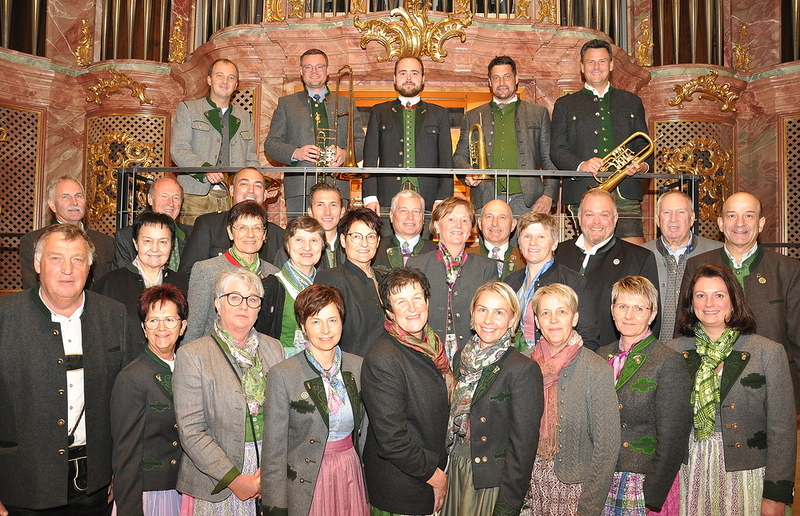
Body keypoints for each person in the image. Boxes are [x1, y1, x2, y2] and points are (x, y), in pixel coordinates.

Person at [0, 224, 132, 515]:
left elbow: (127, 407)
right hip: (21, 488)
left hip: (95, 487)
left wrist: (118, 471)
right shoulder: (5, 317)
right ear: (37, 263)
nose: (67, 269)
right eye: (56, 258)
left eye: (77, 259)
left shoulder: (114, 315)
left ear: (90, 265)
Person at [668, 264, 796, 515]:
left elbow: (783, 430)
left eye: (719, 295)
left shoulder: (767, 352)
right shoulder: (673, 352)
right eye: (700, 295)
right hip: (687, 470)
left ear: (734, 301)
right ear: (690, 303)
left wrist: (776, 495)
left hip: (747, 473)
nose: (709, 303)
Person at [173, 268, 284, 515]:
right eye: (234, 297)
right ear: (217, 304)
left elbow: (283, 417)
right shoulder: (193, 355)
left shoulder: (273, 349)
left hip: (266, 470)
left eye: (252, 299)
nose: (244, 306)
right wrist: (235, 480)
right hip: (217, 477)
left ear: (259, 308)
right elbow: (192, 431)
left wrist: (270, 469)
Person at [680, 191, 800, 410]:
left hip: (770, 384)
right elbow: (686, 327)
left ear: (761, 223)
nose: (740, 223)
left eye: (749, 216)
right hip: (709, 383)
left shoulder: (787, 269)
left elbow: (797, 337)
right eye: (732, 215)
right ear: (721, 223)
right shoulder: (697, 265)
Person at [261, 284, 368, 516]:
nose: (325, 330)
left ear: (342, 322)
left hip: (350, 473)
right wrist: (274, 507)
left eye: (332, 320)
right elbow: (274, 449)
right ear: (303, 326)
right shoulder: (284, 374)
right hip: (307, 479)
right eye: (315, 321)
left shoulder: (357, 367)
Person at [442, 282, 543, 516]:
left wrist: (508, 503)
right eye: (482, 309)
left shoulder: (522, 369)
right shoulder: (461, 358)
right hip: (455, 465)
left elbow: (523, 446)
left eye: (499, 312)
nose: (489, 320)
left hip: (490, 480)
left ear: (512, 319)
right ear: (472, 313)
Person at [521, 283, 620, 516]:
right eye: (545, 313)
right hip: (527, 489)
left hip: (575, 492)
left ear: (574, 318)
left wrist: (590, 506)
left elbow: (607, 446)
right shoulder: (522, 365)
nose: (553, 319)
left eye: (562, 312)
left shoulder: (595, 369)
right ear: (537, 321)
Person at [361, 268, 453, 515]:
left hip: (427, 474)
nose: (412, 308)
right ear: (389, 311)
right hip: (403, 487)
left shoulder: (432, 345)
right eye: (401, 301)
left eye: (417, 298)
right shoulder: (383, 357)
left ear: (427, 301)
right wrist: (435, 476)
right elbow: (392, 440)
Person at [597, 276, 691, 514]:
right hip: (599, 476)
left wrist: (650, 495)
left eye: (639, 308)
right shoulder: (600, 355)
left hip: (640, 480)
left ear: (652, 314)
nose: (629, 315)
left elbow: (674, 438)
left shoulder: (668, 360)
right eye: (623, 307)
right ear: (612, 310)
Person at [550, 39, 652, 244]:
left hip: (626, 189)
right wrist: (582, 164)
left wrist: (641, 166)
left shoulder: (631, 102)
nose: (596, 67)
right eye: (590, 62)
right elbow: (557, 150)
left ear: (612, 65)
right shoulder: (565, 105)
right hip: (584, 188)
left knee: (632, 251)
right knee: (591, 249)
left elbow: (644, 145)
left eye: (602, 62)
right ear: (581, 67)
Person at [110, 284, 189, 516]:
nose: (161, 328)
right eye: (153, 320)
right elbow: (125, 456)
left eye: (170, 320)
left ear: (183, 326)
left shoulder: (192, 369)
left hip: (187, 491)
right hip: (150, 495)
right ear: (144, 328)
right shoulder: (131, 378)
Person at [264, 48, 365, 216]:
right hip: (299, 189)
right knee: (299, 238)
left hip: (338, 187)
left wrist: (345, 155)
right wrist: (296, 152)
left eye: (319, 66)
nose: (314, 71)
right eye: (308, 67)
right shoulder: (286, 104)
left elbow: (361, 143)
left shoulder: (346, 103)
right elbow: (271, 144)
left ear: (327, 71)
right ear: (301, 72)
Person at [453, 55, 558, 215]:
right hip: (486, 198)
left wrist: (548, 195)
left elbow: (550, 159)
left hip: (528, 200)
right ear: (489, 82)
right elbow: (459, 157)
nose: (501, 83)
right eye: (496, 78)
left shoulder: (538, 113)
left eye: (506, 77)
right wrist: (468, 170)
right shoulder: (472, 116)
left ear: (516, 79)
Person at [554, 189, 660, 347]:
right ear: (579, 217)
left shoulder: (639, 259)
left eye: (604, 215)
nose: (596, 221)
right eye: (589, 215)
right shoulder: (556, 254)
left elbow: (650, 319)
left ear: (615, 218)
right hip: (557, 356)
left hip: (613, 360)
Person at [170, 58, 261, 225]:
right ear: (209, 80)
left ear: (236, 85)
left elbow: (250, 158)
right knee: (194, 246)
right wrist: (205, 170)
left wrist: (260, 183)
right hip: (195, 196)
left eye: (231, 77)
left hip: (232, 198)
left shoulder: (245, 117)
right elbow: (178, 149)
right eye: (220, 76)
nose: (225, 81)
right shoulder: (189, 109)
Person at [408, 197, 498, 361]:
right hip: (425, 354)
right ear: (436, 225)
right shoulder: (416, 265)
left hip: (474, 355)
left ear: (471, 228)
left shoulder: (486, 267)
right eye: (451, 219)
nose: (458, 225)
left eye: (464, 220)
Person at [362, 55, 454, 216]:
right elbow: (370, 158)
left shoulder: (439, 114)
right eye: (403, 73)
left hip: (429, 198)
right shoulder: (379, 112)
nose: (409, 78)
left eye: (415, 73)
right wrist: (370, 197)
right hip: (386, 197)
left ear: (423, 79)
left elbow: (446, 160)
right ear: (395, 79)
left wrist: (442, 199)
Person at [184, 201, 280, 343]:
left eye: (256, 228)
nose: (250, 235)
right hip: (213, 357)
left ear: (264, 234)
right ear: (230, 232)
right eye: (242, 228)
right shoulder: (207, 270)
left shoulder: (273, 273)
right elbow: (193, 329)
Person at [504, 211, 600, 351]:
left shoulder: (573, 282)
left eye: (541, 237)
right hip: (514, 363)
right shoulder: (510, 282)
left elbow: (589, 337)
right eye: (527, 236)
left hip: (557, 366)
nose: (533, 242)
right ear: (519, 243)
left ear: (554, 244)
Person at [93, 212, 189, 347]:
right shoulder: (109, 284)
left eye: (162, 242)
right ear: (135, 243)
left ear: (171, 245)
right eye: (147, 241)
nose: (155, 248)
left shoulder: (183, 285)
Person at [641, 190, 721, 341]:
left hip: (702, 346)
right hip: (652, 349)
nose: (673, 219)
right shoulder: (641, 256)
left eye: (680, 212)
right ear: (658, 220)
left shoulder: (716, 254)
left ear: (692, 219)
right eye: (666, 213)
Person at [178, 167, 284, 278]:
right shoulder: (209, 225)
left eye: (258, 186)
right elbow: (188, 274)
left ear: (265, 194)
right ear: (232, 190)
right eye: (244, 184)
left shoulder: (277, 234)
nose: (251, 190)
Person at [19, 175, 114, 288]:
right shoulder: (34, 240)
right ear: (52, 205)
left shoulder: (106, 242)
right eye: (65, 197)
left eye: (78, 196)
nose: (74, 202)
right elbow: (32, 287)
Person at [314, 208, 385, 357]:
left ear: (378, 242)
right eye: (356, 237)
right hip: (351, 368)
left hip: (388, 368)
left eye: (371, 236)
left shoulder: (385, 280)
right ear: (343, 240)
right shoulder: (330, 279)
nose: (364, 243)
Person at [271, 216, 325, 358]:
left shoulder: (327, 287)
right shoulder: (272, 287)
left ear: (322, 246)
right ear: (287, 245)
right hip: (281, 366)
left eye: (314, 240)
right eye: (299, 240)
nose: (307, 247)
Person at [113, 177, 194, 271]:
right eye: (164, 196)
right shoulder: (126, 237)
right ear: (150, 199)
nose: (170, 203)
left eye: (176, 198)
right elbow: (121, 279)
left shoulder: (193, 235)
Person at [272, 182, 346, 270]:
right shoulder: (289, 252)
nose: (327, 212)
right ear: (310, 211)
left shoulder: (352, 249)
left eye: (333, 205)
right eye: (320, 205)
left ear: (342, 211)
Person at [372, 190, 436, 271]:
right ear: (391, 216)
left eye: (416, 211)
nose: (410, 217)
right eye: (403, 211)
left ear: (423, 218)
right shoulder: (375, 249)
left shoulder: (436, 252)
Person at [466, 199, 525, 279]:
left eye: (502, 217)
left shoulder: (525, 259)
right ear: (480, 223)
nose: (494, 223)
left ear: (513, 225)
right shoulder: (466, 258)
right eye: (489, 217)